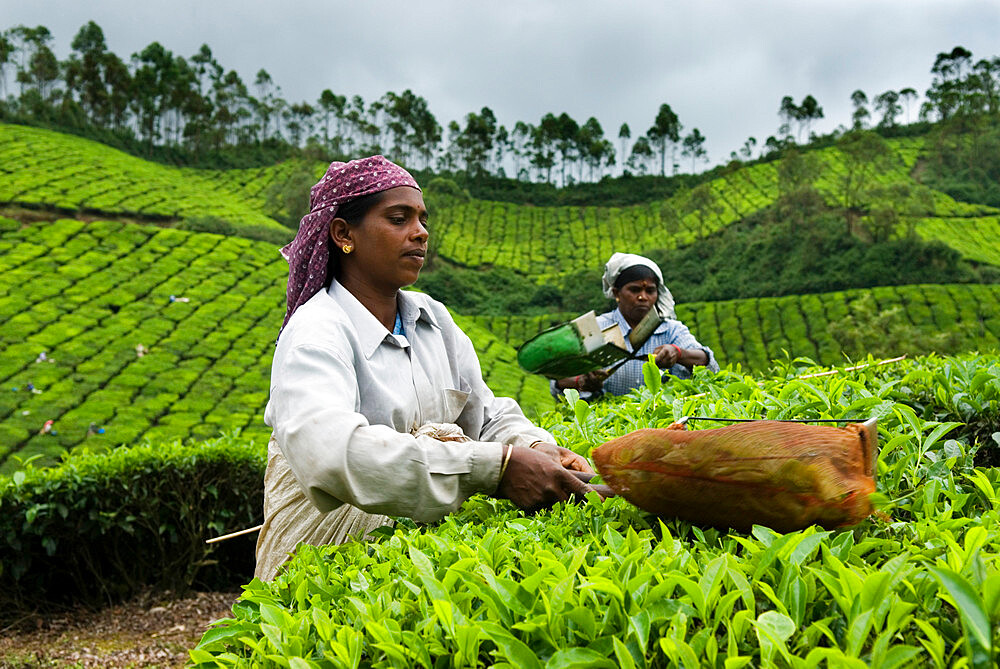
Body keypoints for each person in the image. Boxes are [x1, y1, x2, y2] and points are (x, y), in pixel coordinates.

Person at [256, 156, 596, 580]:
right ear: (344, 234)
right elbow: (334, 455)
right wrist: (497, 468)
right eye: (398, 219)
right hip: (325, 555)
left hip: (415, 557)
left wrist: (531, 444)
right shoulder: (315, 333)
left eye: (421, 219)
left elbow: (485, 415)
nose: (420, 233)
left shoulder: (432, 320)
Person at [554, 253, 719, 398]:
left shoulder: (670, 330)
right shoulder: (596, 328)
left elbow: (708, 363)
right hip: (606, 420)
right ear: (617, 293)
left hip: (661, 419)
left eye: (650, 291)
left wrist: (679, 353)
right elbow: (559, 380)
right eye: (634, 290)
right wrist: (580, 381)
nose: (643, 297)